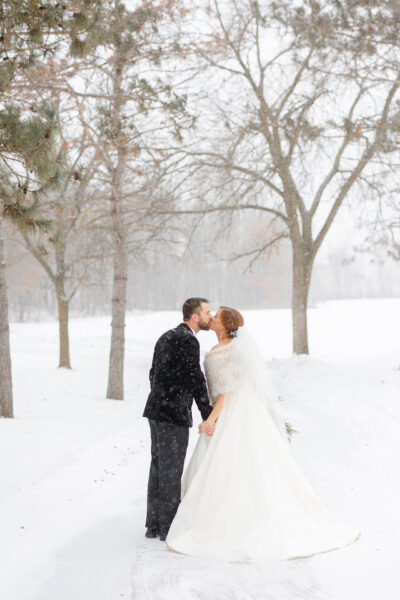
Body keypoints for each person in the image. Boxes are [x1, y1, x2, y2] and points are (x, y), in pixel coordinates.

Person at [166, 306, 361, 561]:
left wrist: (209, 420)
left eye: (216, 317)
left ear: (224, 326)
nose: (211, 318)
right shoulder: (213, 350)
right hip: (224, 410)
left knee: (240, 463)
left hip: (236, 411)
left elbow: (228, 390)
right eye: (211, 315)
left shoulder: (233, 351)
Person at [143, 297, 214, 541]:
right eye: (206, 312)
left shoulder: (166, 336)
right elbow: (195, 379)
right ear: (194, 316)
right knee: (172, 470)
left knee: (158, 467)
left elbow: (153, 373)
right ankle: (168, 527)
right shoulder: (188, 341)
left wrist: (160, 396)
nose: (209, 316)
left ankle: (153, 525)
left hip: (155, 411)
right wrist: (208, 414)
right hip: (172, 414)